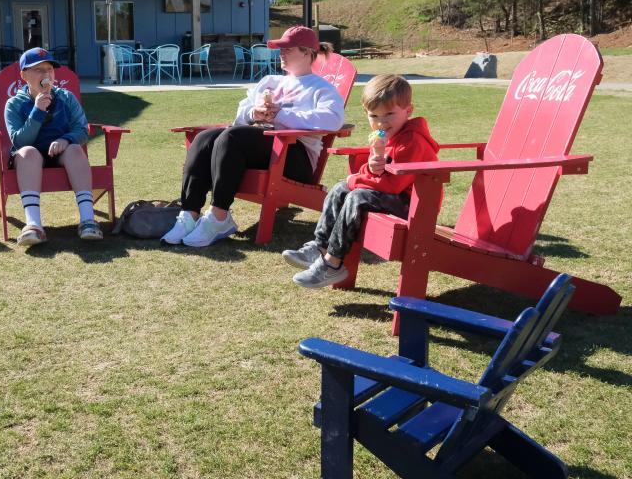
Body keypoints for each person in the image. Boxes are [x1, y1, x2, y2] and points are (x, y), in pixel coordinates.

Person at [161, 26, 346, 247]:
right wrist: (253, 113)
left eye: (287, 49)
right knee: (205, 139)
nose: (281, 53)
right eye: (280, 49)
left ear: (307, 52)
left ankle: (219, 216)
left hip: (293, 156)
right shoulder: (270, 81)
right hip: (259, 147)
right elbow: (240, 116)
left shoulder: (321, 89)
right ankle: (189, 215)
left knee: (232, 137)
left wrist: (282, 114)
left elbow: (333, 119)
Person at [284, 74, 440, 288]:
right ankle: (320, 247)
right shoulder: (389, 137)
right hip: (391, 196)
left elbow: (394, 185)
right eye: (374, 115)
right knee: (341, 188)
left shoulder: (412, 141)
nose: (381, 122)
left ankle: (332, 264)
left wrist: (357, 178)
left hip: (413, 206)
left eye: (389, 114)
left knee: (357, 195)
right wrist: (370, 165)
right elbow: (377, 175)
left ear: (408, 111)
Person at [5, 47, 103, 246]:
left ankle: (87, 221)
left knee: (75, 149)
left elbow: (82, 130)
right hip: (30, 159)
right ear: (24, 75)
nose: (46, 74)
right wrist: (37, 110)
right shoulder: (14, 104)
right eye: (39, 70)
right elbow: (20, 141)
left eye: (50, 69)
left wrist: (66, 139)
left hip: (62, 155)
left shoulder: (66, 98)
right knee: (27, 152)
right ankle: (34, 225)